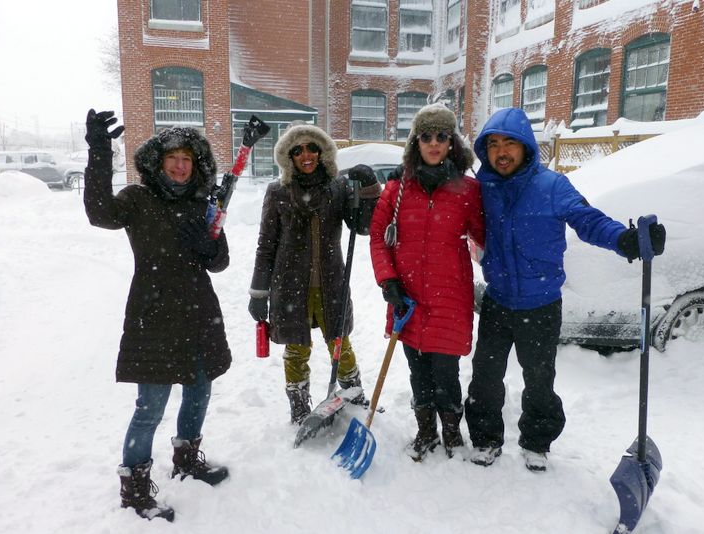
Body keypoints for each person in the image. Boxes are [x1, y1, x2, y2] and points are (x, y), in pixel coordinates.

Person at [464, 107, 666, 471]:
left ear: (526, 146)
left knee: (539, 379)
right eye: (493, 144)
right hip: (498, 300)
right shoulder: (483, 189)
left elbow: (588, 220)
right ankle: (486, 438)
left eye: (509, 143)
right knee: (485, 377)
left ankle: (537, 441)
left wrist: (625, 239)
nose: (501, 152)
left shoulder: (552, 186)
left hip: (541, 304)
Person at [83, 110, 232, 522]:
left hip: (199, 313)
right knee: (150, 406)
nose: (180, 166)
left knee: (199, 391)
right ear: (158, 161)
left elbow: (220, 261)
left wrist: (208, 247)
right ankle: (134, 487)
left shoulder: (205, 204)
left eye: (187, 159)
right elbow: (99, 213)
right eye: (173, 158)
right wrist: (100, 152)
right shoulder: (138, 199)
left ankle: (186, 458)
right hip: (154, 315)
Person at [369, 103, 485, 461]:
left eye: (442, 136)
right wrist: (387, 281)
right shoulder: (397, 189)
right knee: (417, 368)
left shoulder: (468, 190)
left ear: (452, 142)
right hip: (406, 297)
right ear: (415, 142)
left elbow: (485, 236)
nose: (434, 143)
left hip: (450, 296)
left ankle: (451, 432)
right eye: (426, 136)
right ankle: (425, 431)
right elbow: (378, 238)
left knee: (446, 371)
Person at [247, 122, 381, 425]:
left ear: (322, 152)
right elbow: (265, 246)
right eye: (298, 150)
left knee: (339, 343)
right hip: (290, 286)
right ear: (289, 156)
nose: (306, 155)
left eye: (312, 148)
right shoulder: (278, 192)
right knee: (296, 348)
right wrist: (259, 293)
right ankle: (299, 404)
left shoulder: (338, 188)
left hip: (331, 283)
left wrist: (370, 189)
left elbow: (362, 226)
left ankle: (354, 393)